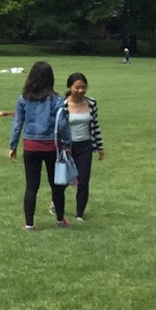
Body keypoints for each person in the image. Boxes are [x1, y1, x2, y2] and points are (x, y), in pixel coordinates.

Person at [8, 60, 68, 230]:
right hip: (52, 147)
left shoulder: (23, 99)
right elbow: (63, 124)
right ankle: (60, 220)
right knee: (56, 184)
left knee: (31, 186)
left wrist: (12, 146)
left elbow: (17, 124)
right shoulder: (57, 100)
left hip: (31, 146)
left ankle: (29, 224)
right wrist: (68, 144)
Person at [57, 72, 105, 223]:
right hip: (67, 147)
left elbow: (94, 125)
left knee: (83, 181)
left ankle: (79, 213)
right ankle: (55, 203)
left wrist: (99, 146)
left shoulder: (91, 103)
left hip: (86, 145)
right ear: (69, 87)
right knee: (63, 180)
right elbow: (58, 128)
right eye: (77, 87)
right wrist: (62, 147)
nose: (80, 90)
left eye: (83, 87)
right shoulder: (62, 104)